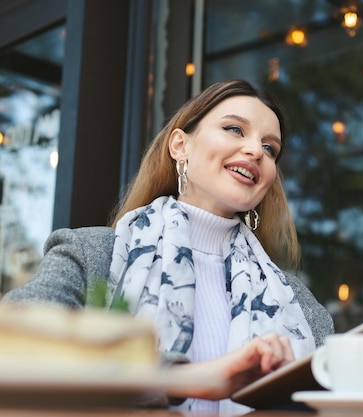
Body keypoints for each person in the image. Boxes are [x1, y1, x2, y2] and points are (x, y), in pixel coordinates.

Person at [3, 79, 335, 415]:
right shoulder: (89, 255)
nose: (254, 151)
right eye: (235, 129)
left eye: (270, 148)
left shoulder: (299, 304)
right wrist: (180, 379)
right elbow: (12, 353)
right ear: (180, 145)